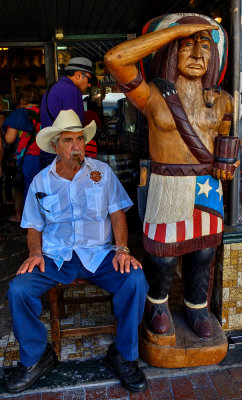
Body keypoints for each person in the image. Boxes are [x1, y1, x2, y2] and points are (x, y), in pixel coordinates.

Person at [105, 14, 240, 339]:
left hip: (207, 185)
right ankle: (158, 302)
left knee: (204, 252)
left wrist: (229, 161)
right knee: (163, 257)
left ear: (215, 57)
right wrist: (176, 31)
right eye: (185, 46)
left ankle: (197, 305)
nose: (196, 54)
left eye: (205, 46)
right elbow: (115, 59)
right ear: (168, 52)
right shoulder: (152, 97)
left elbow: (226, 139)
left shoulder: (222, 100)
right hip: (166, 183)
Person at [6, 109, 148, 394]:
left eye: (80, 139)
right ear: (56, 146)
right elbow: (33, 225)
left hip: (100, 254)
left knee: (135, 280)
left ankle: (124, 355)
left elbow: (118, 214)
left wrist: (122, 249)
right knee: (18, 290)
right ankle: (37, 357)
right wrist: (35, 253)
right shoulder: (41, 182)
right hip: (56, 256)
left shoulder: (102, 173)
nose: (76, 146)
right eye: (69, 140)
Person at [40, 57, 97, 168]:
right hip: (64, 152)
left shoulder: (52, 89)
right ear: (78, 75)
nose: (89, 84)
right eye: (89, 80)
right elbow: (75, 130)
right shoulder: (72, 91)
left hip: (49, 151)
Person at [4, 85, 41, 221]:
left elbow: (9, 138)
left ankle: (32, 223)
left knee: (30, 189)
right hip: (47, 154)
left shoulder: (19, 113)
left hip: (29, 157)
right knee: (45, 188)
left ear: (22, 99)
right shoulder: (45, 112)